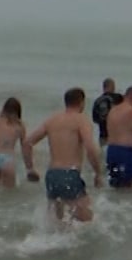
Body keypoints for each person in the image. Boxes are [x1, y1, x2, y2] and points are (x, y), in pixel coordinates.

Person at [23, 87, 104, 224]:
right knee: (88, 222)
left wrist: (30, 168)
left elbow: (27, 143)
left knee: (59, 224)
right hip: (69, 174)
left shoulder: (52, 120)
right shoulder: (81, 120)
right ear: (82, 102)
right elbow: (90, 147)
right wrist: (98, 173)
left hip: (52, 176)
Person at [0, 97, 33, 187]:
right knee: (9, 192)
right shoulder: (20, 126)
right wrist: (30, 168)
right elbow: (25, 148)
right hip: (7, 159)